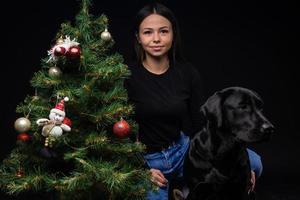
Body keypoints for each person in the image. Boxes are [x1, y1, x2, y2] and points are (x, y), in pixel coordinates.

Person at [124, 2, 262, 199]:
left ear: (173, 35)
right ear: (138, 37)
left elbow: (201, 125)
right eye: (148, 32)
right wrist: (141, 169)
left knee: (253, 161)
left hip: (181, 151)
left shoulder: (187, 73)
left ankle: (184, 186)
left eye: (163, 31)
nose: (156, 39)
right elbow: (121, 133)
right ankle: (176, 190)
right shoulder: (127, 76)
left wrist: (237, 168)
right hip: (147, 158)